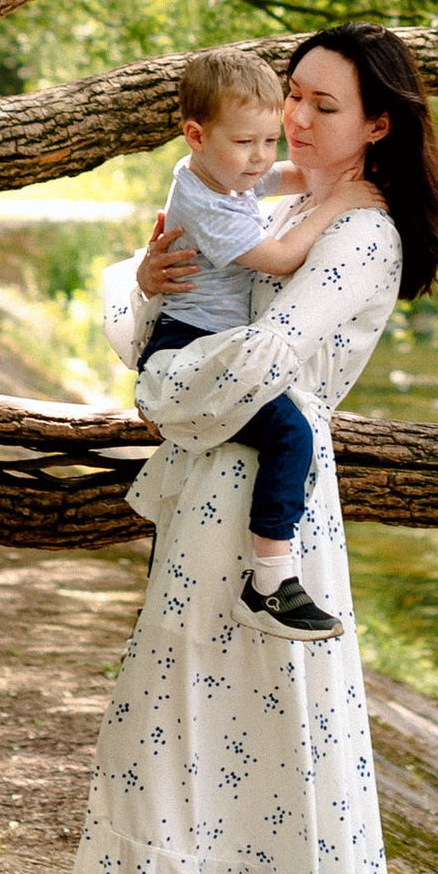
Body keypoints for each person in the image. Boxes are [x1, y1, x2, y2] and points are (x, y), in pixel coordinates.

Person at [65, 25, 438, 874]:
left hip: (269, 519)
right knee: (168, 746)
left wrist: (158, 386)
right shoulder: (268, 194)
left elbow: (258, 365)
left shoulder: (360, 234)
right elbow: (159, 306)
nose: (297, 117)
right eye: (293, 96)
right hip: (202, 513)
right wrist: (144, 288)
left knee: (270, 759)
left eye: (325, 104)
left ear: (379, 122)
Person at [138, 47, 348, 638]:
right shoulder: (209, 204)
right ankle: (269, 583)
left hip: (207, 348)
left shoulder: (215, 174)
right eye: (245, 144)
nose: (262, 159)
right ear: (195, 135)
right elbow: (280, 259)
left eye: (269, 140)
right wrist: (342, 202)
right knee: (289, 432)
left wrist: (325, 173)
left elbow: (274, 178)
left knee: (283, 430)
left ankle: (267, 579)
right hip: (191, 354)